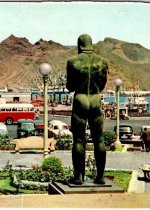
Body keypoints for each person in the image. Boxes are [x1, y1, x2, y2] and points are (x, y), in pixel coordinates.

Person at [66, 34, 108, 185]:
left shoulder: (72, 62)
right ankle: (100, 177)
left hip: (81, 99)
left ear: (79, 45)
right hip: (96, 100)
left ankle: (78, 177)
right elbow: (102, 85)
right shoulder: (102, 62)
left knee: (78, 139)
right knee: (99, 139)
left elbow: (70, 86)